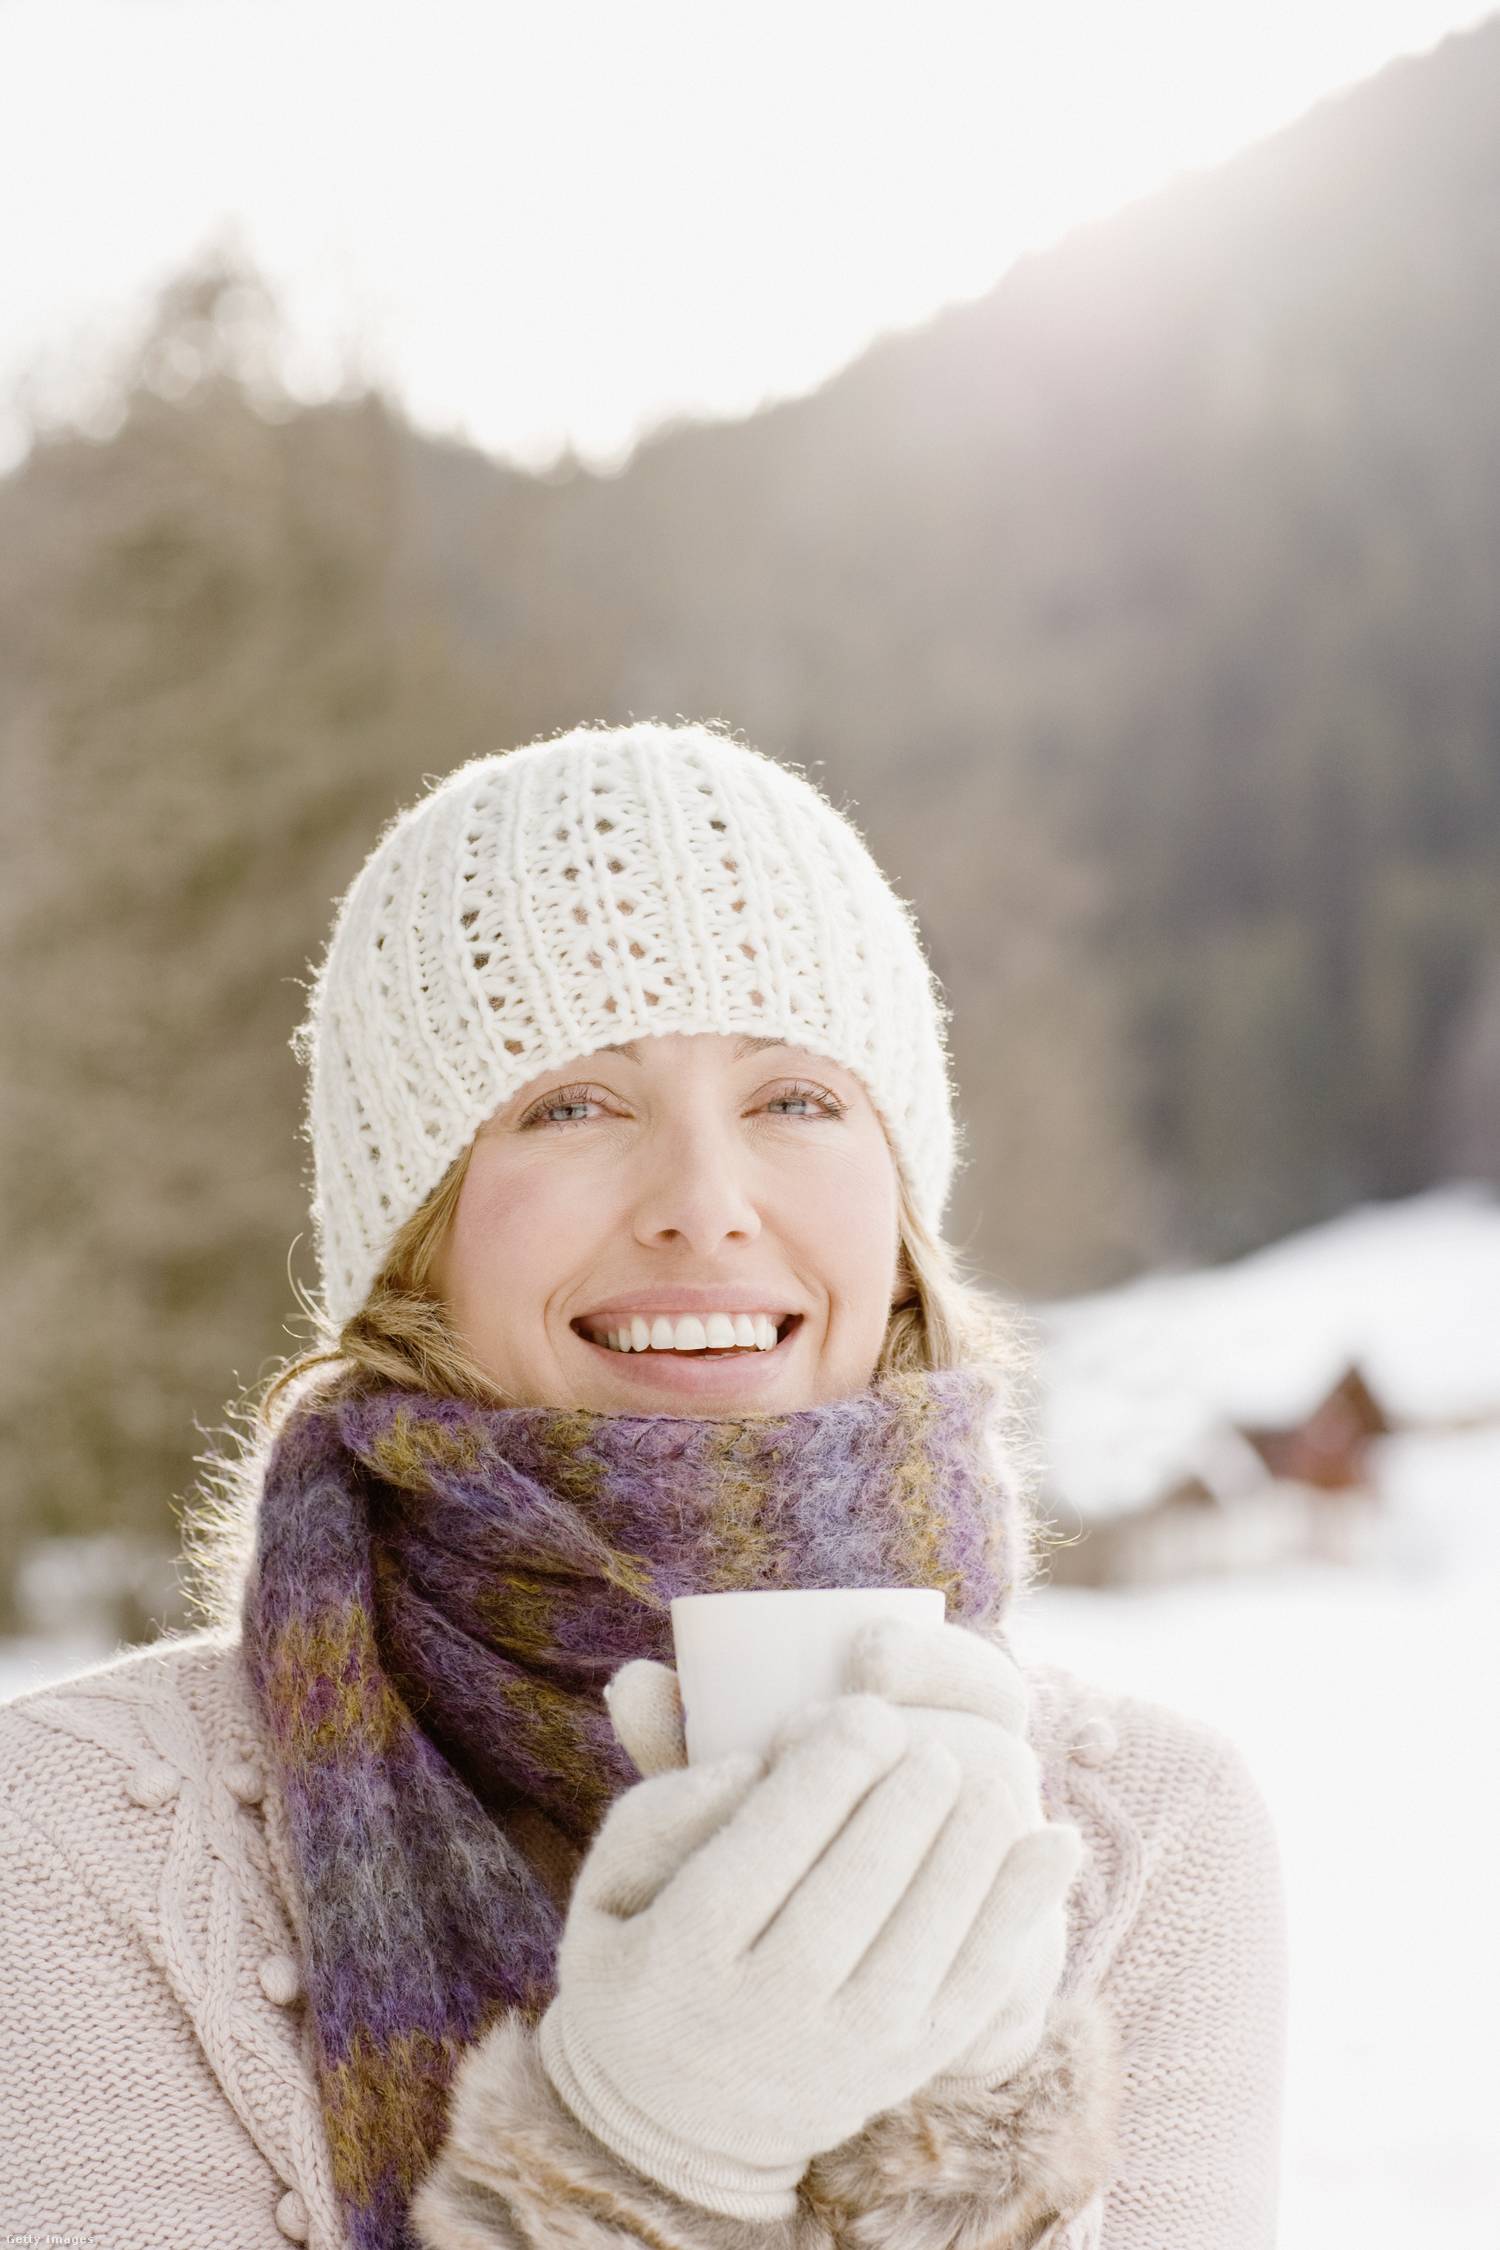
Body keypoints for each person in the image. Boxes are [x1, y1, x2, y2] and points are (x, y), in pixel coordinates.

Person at [0, 719, 1288, 2250]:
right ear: (415, 1230)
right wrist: (636, 2161)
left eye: (796, 1097)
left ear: (899, 1207)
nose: (704, 1205)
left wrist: (959, 2155)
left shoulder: (1141, 1836)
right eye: (574, 1103)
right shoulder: (75, 1839)